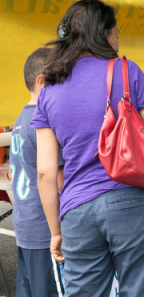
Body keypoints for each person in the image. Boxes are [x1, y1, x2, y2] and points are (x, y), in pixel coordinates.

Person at [31, 0, 144, 297]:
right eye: (116, 32)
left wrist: (55, 231)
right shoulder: (125, 71)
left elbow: (44, 173)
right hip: (132, 201)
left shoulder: (49, 89)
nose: (118, 40)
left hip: (76, 209)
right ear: (102, 34)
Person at [10, 48, 65, 297]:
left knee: (28, 289)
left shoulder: (22, 118)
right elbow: (57, 178)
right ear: (42, 80)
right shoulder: (46, 122)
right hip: (45, 227)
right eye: (61, 79)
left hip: (25, 224)